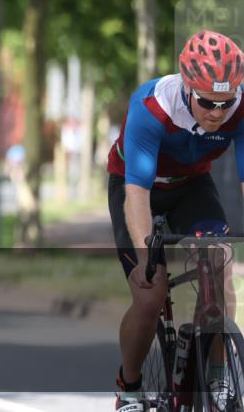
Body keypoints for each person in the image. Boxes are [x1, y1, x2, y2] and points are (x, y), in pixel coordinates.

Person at [109, 30, 244, 411]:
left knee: (217, 260)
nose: (218, 112)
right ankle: (130, 388)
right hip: (136, 186)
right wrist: (144, 254)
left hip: (191, 184)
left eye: (226, 102)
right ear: (187, 88)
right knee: (150, 295)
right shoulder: (152, 106)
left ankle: (217, 376)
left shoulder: (240, 107)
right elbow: (137, 191)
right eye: (207, 102)